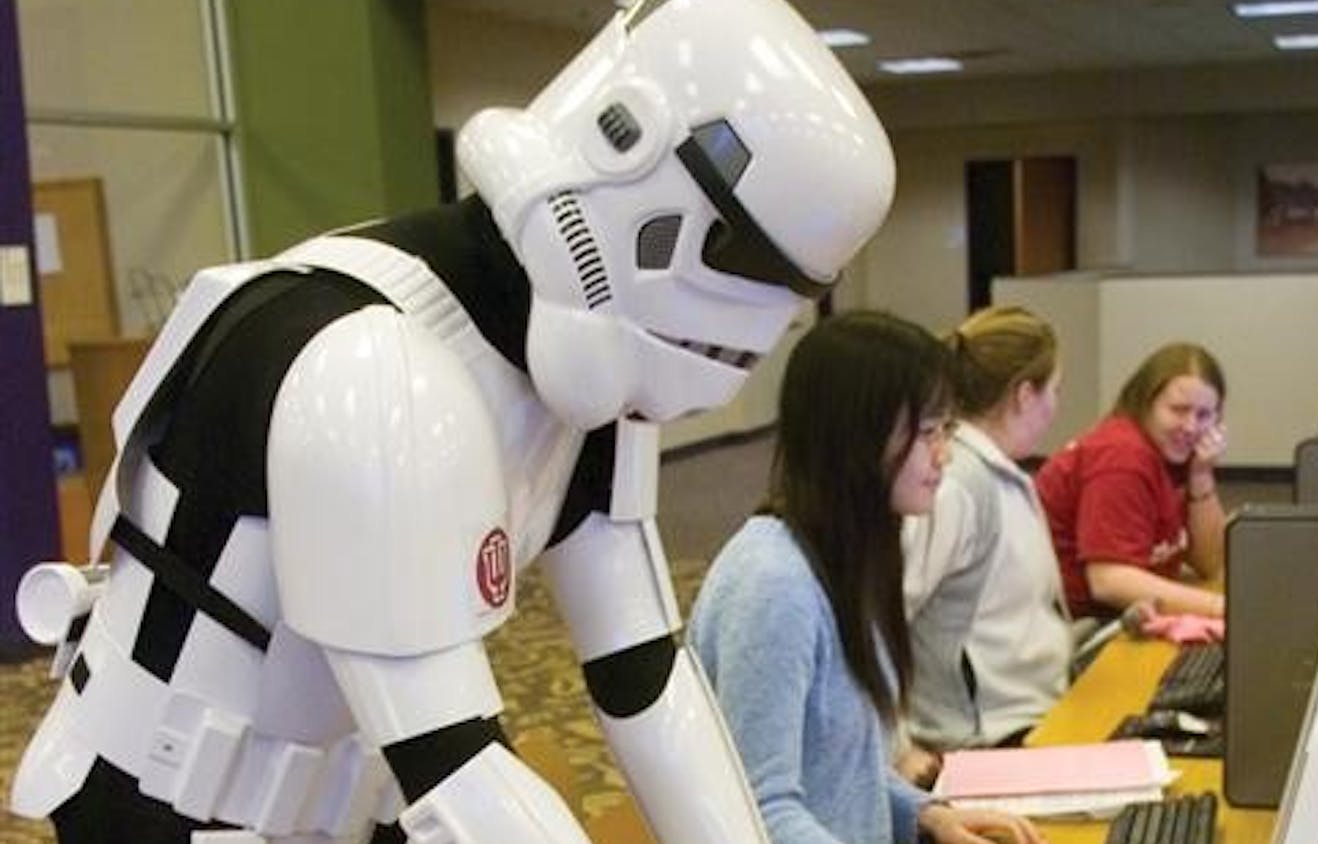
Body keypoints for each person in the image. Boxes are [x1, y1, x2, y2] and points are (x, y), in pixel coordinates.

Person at [8, 0, 896, 841]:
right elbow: (456, 770)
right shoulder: (371, 367)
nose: (762, 334)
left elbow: (645, 679)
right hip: (168, 808)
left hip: (353, 798)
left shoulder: (595, 365)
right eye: (760, 279)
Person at [688, 311, 1046, 844]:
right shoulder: (773, 585)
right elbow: (760, 813)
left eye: (946, 429)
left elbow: (844, 767)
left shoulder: (849, 560)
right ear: (858, 435)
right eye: (928, 433)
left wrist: (930, 816)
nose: (944, 455)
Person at [903, 305, 1072, 754]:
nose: (1057, 407)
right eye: (1055, 390)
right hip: (987, 737)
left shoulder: (998, 473)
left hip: (1034, 709)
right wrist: (898, 748)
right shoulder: (955, 484)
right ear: (1024, 395)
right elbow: (882, 618)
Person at [1034, 342, 1228, 620]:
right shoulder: (1122, 458)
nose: (1191, 427)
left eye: (1204, 415)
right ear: (1145, 403)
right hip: (1078, 626)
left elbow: (1212, 564)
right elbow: (1109, 581)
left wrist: (1201, 476)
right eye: (1178, 410)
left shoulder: (1176, 455)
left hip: (1125, 612)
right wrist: (1219, 609)